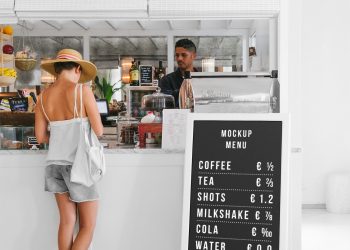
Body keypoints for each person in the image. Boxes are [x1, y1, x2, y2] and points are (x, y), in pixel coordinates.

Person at [35, 48, 103, 250]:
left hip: (54, 165)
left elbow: (40, 137)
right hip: (79, 166)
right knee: (87, 227)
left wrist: (59, 137)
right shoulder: (82, 91)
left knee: (67, 222)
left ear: (57, 70)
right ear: (77, 69)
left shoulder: (42, 98)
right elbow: (98, 130)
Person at [159, 38, 198, 107]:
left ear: (193, 56)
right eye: (177, 55)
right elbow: (166, 104)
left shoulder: (202, 80)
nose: (179, 58)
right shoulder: (166, 80)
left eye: (184, 55)